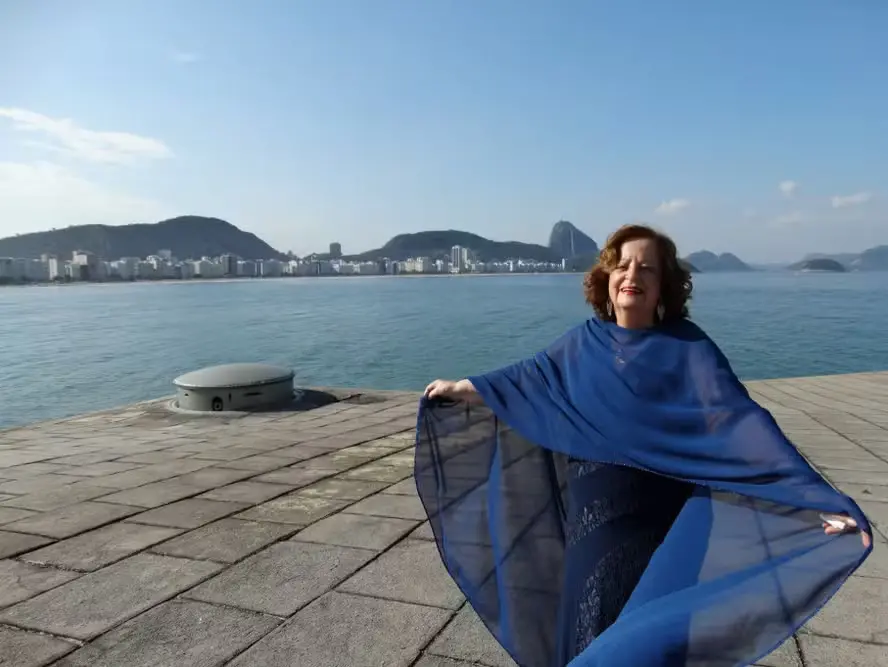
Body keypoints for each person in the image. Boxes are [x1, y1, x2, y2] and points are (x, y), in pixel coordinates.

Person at [416, 224, 872, 667]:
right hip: (595, 514)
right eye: (622, 265)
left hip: (664, 514)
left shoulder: (689, 348)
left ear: (663, 287)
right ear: (607, 279)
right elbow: (525, 381)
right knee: (589, 621)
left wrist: (814, 499)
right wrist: (462, 386)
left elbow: (743, 423)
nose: (632, 275)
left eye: (647, 269)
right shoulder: (581, 344)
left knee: (648, 636)